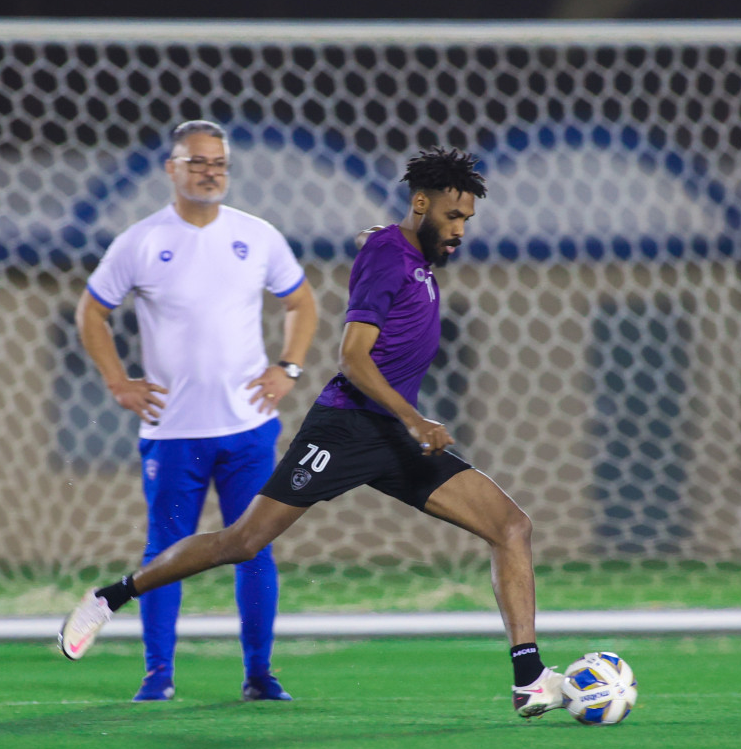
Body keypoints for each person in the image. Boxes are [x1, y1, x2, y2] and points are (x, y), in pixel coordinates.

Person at [62, 146, 569, 719]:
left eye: (466, 222)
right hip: (348, 427)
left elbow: (388, 254)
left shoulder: (405, 250)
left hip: (395, 436)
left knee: (510, 525)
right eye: (452, 217)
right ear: (421, 204)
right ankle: (113, 596)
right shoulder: (390, 253)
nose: (459, 231)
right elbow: (352, 357)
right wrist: (414, 418)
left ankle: (528, 678)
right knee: (242, 542)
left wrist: (406, 419)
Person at [72, 120, 319, 702]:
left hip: (248, 430)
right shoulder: (139, 241)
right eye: (198, 162)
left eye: (219, 163)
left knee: (253, 547)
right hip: (174, 432)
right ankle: (158, 676)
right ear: (172, 169)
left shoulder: (256, 236)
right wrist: (116, 381)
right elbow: (91, 313)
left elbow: (301, 303)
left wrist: (288, 368)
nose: (210, 172)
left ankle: (259, 674)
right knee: (164, 553)